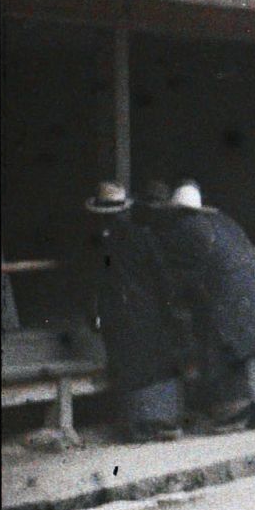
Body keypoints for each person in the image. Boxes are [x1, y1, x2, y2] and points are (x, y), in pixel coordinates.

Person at [162, 181, 255, 431]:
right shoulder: (223, 222)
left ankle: (234, 413)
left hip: (230, 295)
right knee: (253, 346)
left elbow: (177, 274)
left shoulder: (185, 228)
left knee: (229, 348)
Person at [83, 181, 186, 442]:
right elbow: (163, 278)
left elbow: (95, 283)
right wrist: (167, 308)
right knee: (157, 362)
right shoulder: (144, 235)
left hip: (119, 313)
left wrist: (94, 316)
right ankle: (166, 420)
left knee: (129, 367)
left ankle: (140, 425)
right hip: (150, 311)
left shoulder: (99, 244)